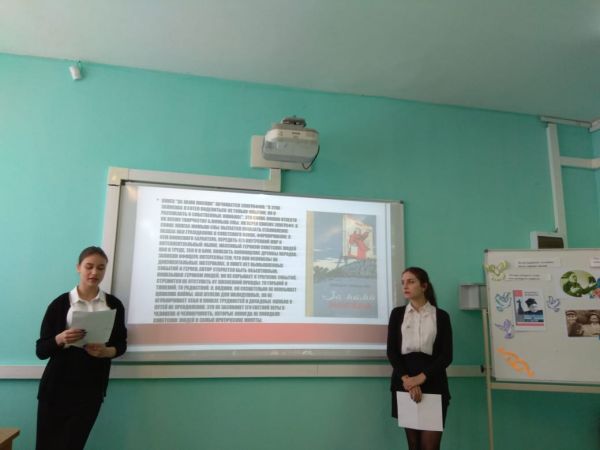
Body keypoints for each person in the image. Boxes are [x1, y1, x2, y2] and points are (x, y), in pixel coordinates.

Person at [35, 246, 127, 450]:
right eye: (89, 266)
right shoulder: (60, 304)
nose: (94, 272)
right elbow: (41, 350)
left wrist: (107, 351)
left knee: (73, 445)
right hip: (55, 389)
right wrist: (60, 338)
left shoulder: (113, 305)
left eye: (101, 268)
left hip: (90, 391)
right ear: (78, 267)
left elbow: (121, 344)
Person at [387, 267, 453, 450]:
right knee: (414, 446)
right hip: (404, 382)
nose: (405, 286)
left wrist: (421, 378)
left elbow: (446, 356)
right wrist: (408, 381)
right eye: (403, 282)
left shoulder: (441, 316)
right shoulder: (397, 314)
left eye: (411, 281)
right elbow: (392, 352)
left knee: (430, 446)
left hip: (433, 381)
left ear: (424, 286)